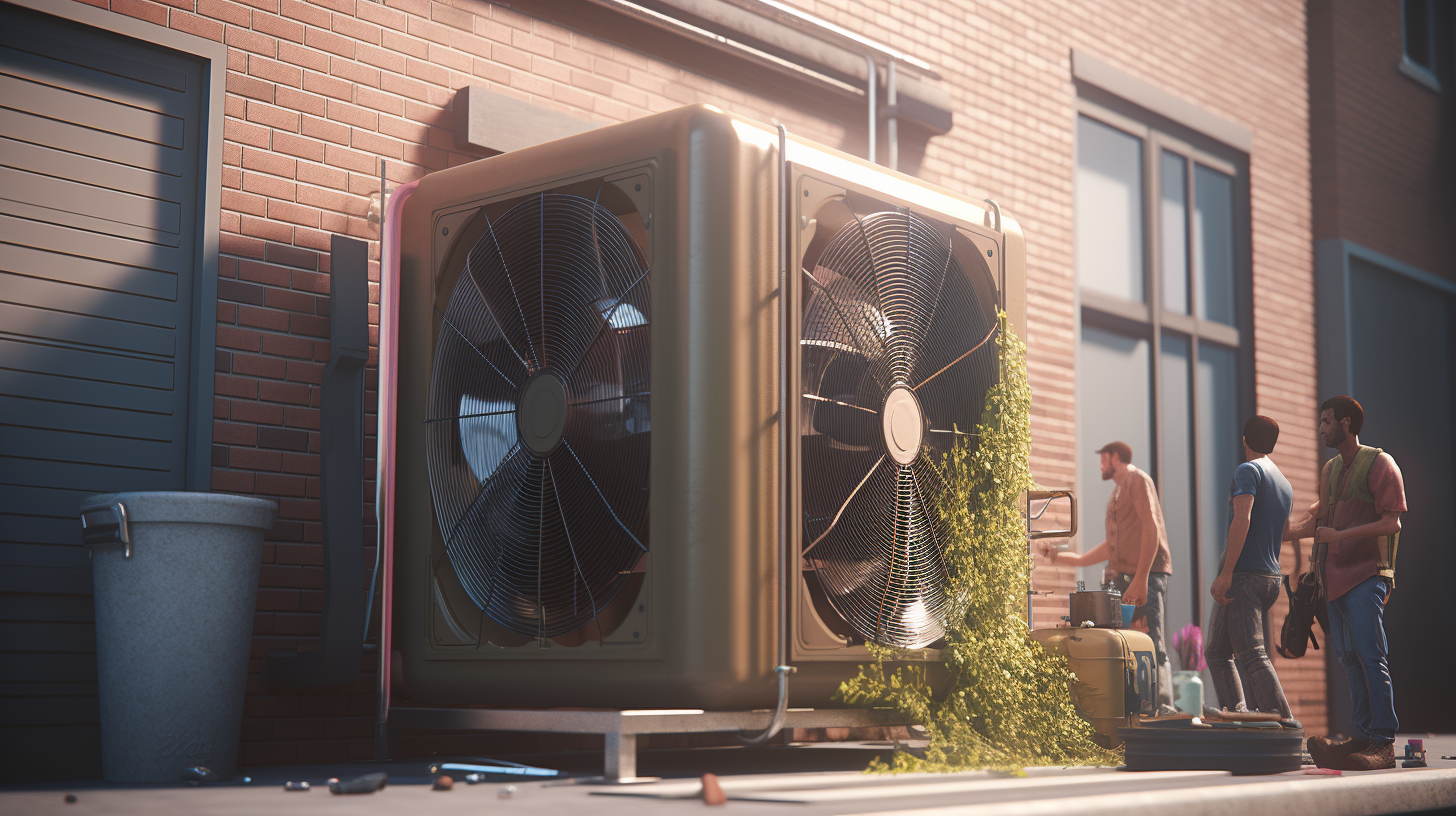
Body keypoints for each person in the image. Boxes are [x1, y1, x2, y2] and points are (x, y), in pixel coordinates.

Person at [1285, 396, 1406, 771]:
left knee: (1371, 656)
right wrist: (1274, 532)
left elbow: (1393, 523)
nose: (1320, 428)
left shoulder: (1380, 463)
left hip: (1368, 575)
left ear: (1347, 423)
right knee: (1349, 658)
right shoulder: (1331, 469)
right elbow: (1317, 526)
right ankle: (1361, 736)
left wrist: (1339, 536)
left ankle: (1383, 741)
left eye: (1326, 421)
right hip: (1332, 580)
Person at [1041, 441, 1176, 714]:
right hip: (1125, 579)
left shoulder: (1137, 480)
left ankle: (1162, 708)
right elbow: (1111, 545)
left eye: (1103, 458)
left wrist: (1141, 578)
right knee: (1126, 643)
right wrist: (1059, 556)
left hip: (1143, 576)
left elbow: (1152, 527)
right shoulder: (1117, 492)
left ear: (1116, 457)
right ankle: (1136, 709)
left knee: (1151, 640)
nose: (1101, 464)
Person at [1204, 416, 1294, 720]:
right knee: (1217, 652)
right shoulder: (1283, 481)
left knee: (1252, 654)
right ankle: (1239, 716)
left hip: (1244, 575)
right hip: (1269, 576)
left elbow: (1242, 519)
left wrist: (1227, 573)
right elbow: (1286, 530)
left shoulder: (1248, 470)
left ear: (1244, 440)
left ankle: (1285, 726)